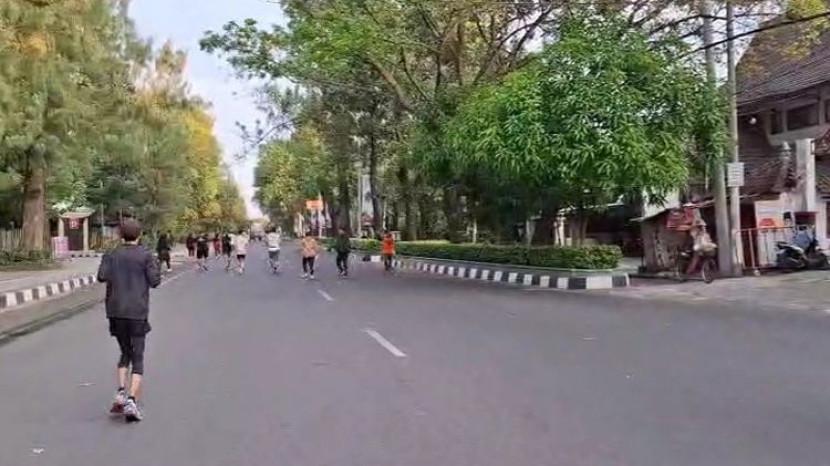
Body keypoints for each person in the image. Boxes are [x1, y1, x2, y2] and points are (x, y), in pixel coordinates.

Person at [97, 219, 161, 423]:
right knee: (138, 356)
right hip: (137, 311)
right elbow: (155, 281)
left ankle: (120, 392)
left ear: (120, 235)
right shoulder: (146, 255)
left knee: (125, 351)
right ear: (140, 235)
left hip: (115, 311)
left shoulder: (111, 254)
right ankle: (131, 401)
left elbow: (101, 276)